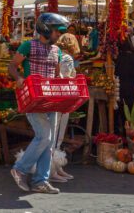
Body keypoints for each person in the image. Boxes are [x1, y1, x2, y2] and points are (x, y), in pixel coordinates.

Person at [9, 12, 69, 194]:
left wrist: (66, 83)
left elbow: (57, 76)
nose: (59, 35)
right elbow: (11, 66)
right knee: (44, 137)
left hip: (51, 100)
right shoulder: (28, 45)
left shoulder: (57, 51)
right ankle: (20, 168)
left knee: (49, 143)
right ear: (45, 29)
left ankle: (40, 182)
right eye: (57, 31)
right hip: (33, 99)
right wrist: (19, 78)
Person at [51, 33, 80, 183]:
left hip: (53, 97)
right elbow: (68, 78)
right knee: (58, 137)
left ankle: (55, 167)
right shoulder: (68, 58)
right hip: (63, 98)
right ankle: (53, 169)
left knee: (53, 135)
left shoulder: (55, 54)